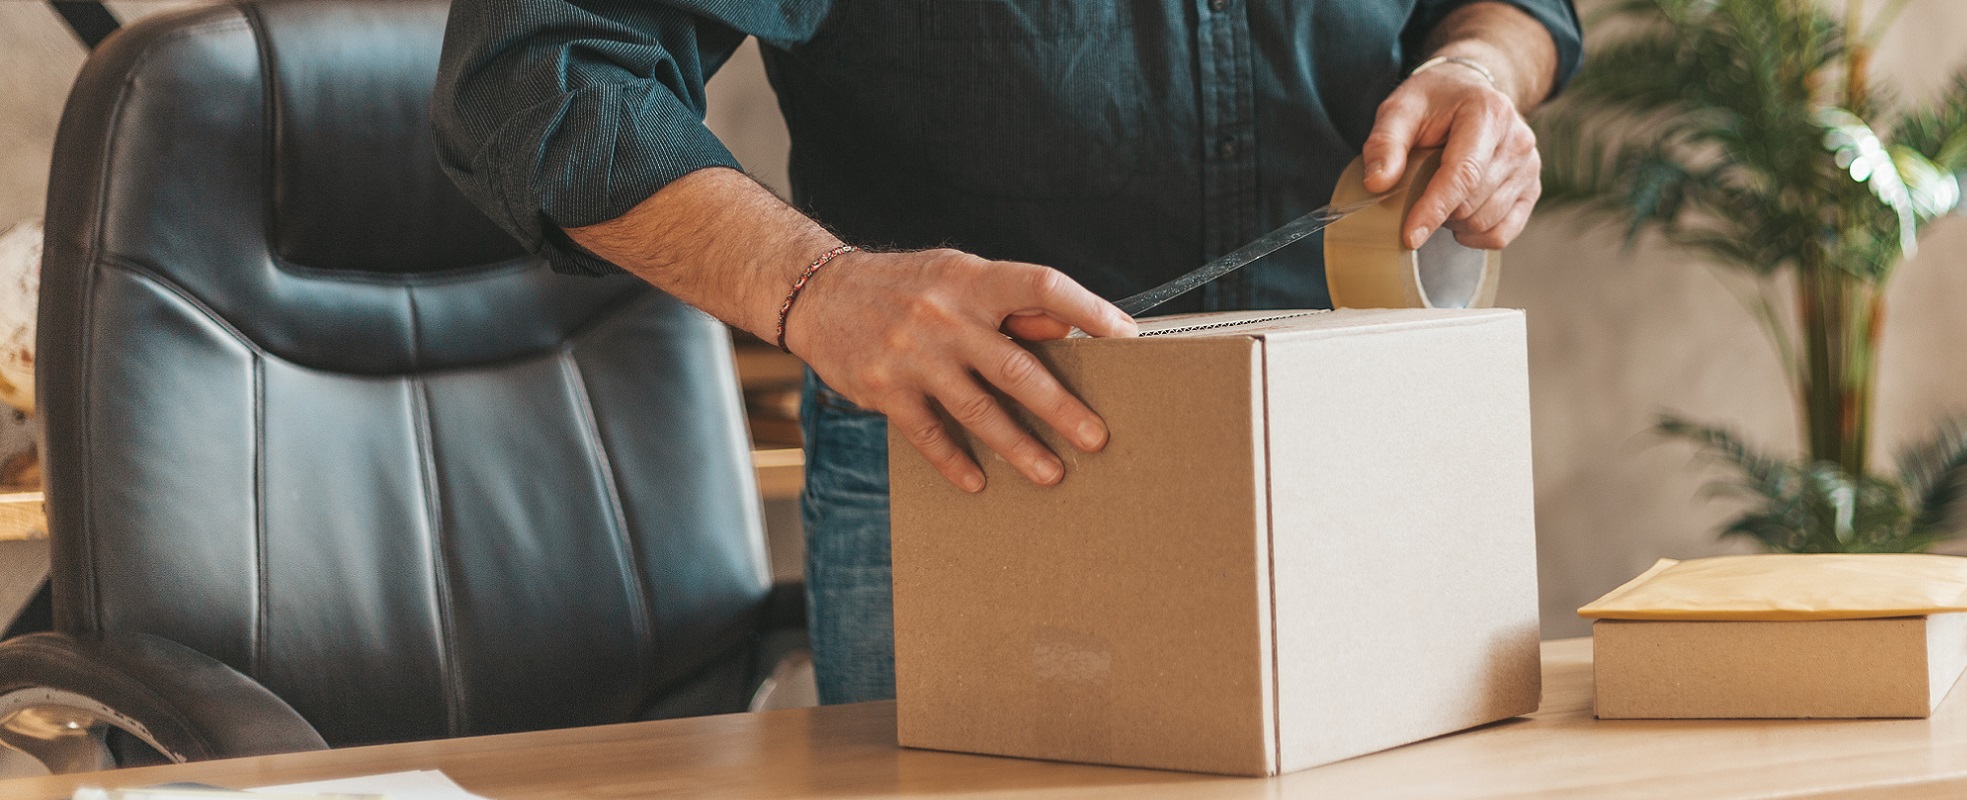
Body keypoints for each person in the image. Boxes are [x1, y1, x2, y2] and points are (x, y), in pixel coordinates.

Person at [433, 0, 1582, 706]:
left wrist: (1483, 66)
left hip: (1363, 461)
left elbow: (1517, 7)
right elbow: (536, 70)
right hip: (989, 467)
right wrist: (817, 287)